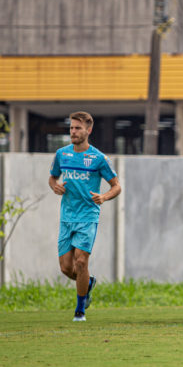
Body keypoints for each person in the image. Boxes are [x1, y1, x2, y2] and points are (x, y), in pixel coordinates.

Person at [49, 112, 121, 322]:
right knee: (66, 268)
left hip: (88, 215)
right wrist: (55, 186)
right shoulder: (62, 154)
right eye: (71, 128)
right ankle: (88, 283)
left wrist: (104, 196)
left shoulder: (98, 158)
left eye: (77, 128)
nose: (73, 132)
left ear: (88, 131)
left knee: (81, 262)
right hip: (67, 216)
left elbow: (116, 186)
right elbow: (52, 178)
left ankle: (80, 311)